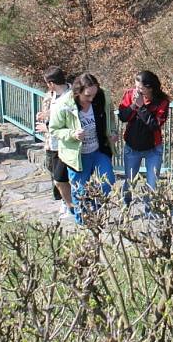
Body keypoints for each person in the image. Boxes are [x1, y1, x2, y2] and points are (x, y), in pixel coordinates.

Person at [49, 73, 117, 224]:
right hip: (77, 155)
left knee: (108, 181)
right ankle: (83, 222)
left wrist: (112, 131)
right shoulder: (64, 105)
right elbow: (54, 130)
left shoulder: (102, 96)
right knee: (79, 190)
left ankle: (93, 207)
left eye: (94, 94)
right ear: (78, 91)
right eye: (87, 95)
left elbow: (110, 115)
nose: (91, 99)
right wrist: (72, 134)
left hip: (99, 149)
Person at [118, 71, 170, 214]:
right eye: (136, 87)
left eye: (140, 89)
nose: (137, 91)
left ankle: (150, 211)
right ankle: (125, 205)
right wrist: (133, 106)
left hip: (153, 148)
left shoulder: (162, 101)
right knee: (130, 180)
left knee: (152, 182)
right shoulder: (130, 95)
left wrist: (141, 108)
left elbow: (155, 125)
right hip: (132, 147)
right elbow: (122, 116)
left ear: (150, 88)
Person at [35, 66, 74, 215]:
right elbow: (57, 112)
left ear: (51, 83)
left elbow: (68, 120)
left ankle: (71, 207)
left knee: (62, 179)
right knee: (56, 176)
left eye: (47, 83)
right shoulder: (53, 96)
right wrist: (46, 115)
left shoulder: (70, 97)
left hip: (65, 145)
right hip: (52, 143)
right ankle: (66, 204)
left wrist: (47, 128)